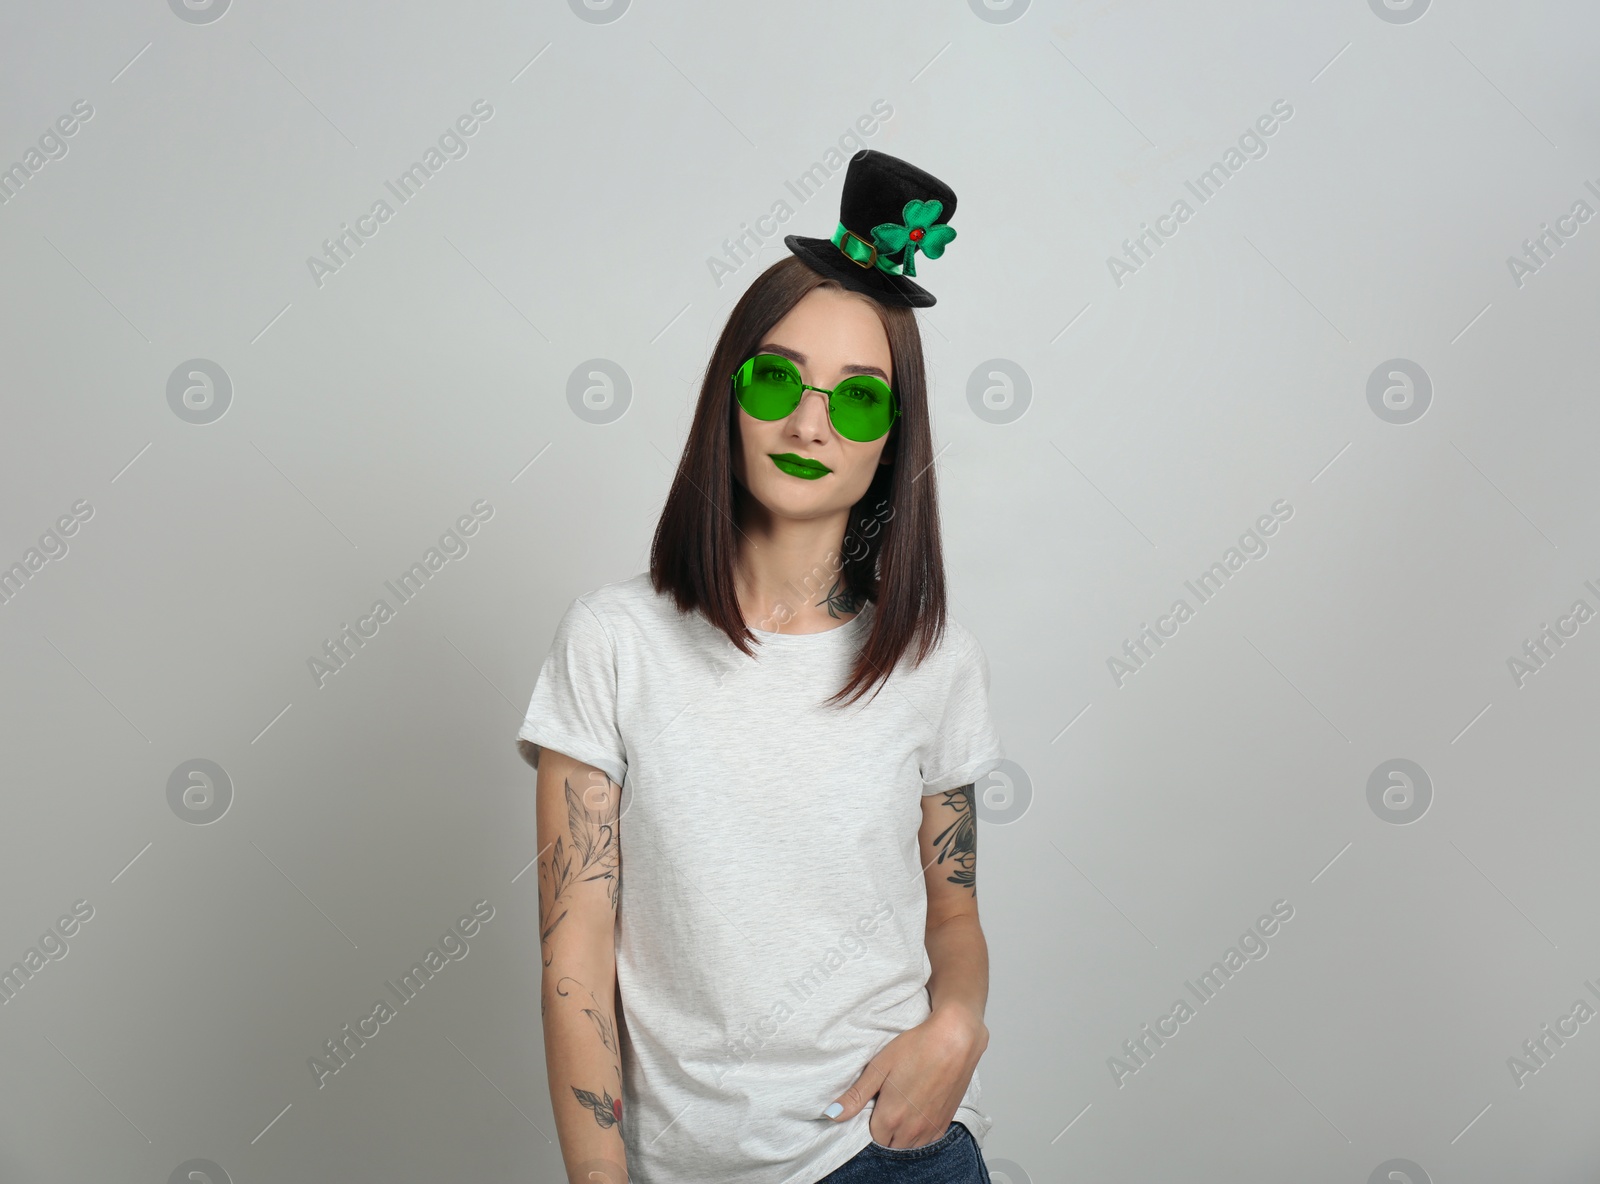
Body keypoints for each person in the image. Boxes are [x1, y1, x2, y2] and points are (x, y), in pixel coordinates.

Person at [517, 149, 1002, 1184]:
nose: (808, 422)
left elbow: (952, 909)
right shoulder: (612, 642)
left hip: (884, 1156)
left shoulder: (932, 660)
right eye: (777, 378)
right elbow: (575, 953)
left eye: (859, 400)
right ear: (726, 397)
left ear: (892, 439)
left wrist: (958, 1022)